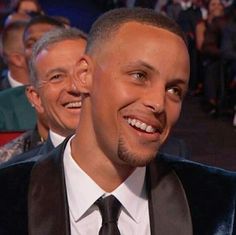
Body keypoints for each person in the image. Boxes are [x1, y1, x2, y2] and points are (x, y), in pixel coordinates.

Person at [0, 7, 236, 235]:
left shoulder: (221, 204)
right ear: (85, 76)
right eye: (139, 76)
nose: (158, 103)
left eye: (174, 90)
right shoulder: (9, 196)